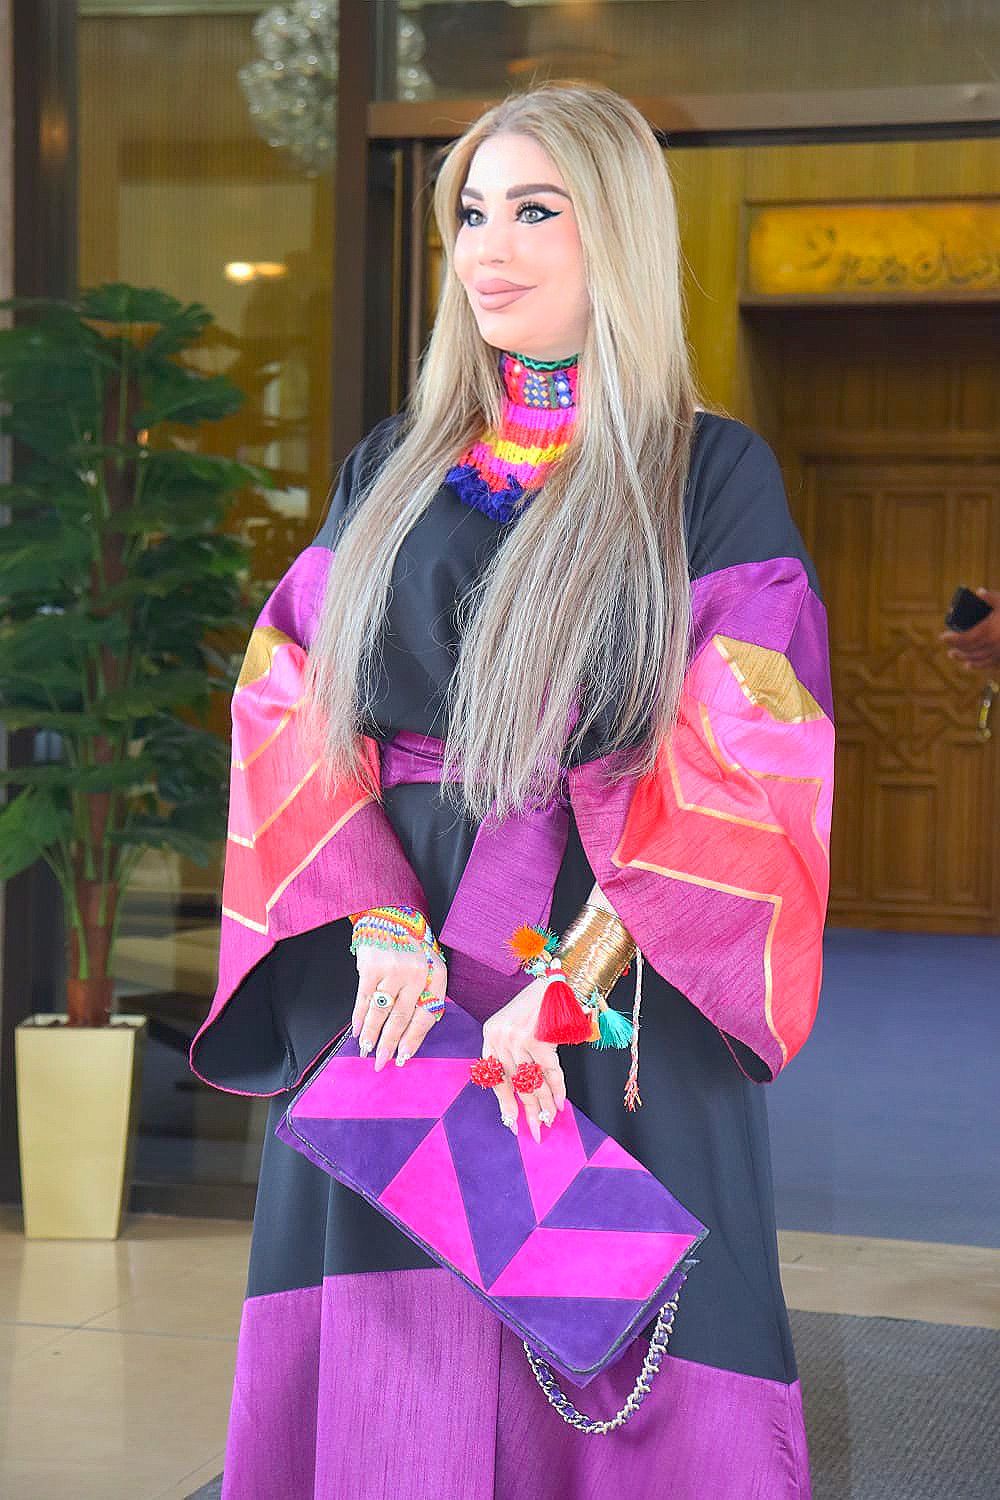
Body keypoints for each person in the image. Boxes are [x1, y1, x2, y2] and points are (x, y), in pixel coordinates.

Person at [190, 81, 833, 1500]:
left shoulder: (707, 474)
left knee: (623, 1337)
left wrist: (568, 991)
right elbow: (289, 693)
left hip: (615, 956)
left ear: (618, 230)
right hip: (395, 966)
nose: (488, 247)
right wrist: (375, 920)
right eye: (472, 213)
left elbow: (751, 743)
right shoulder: (393, 465)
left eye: (535, 210)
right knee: (392, 1313)